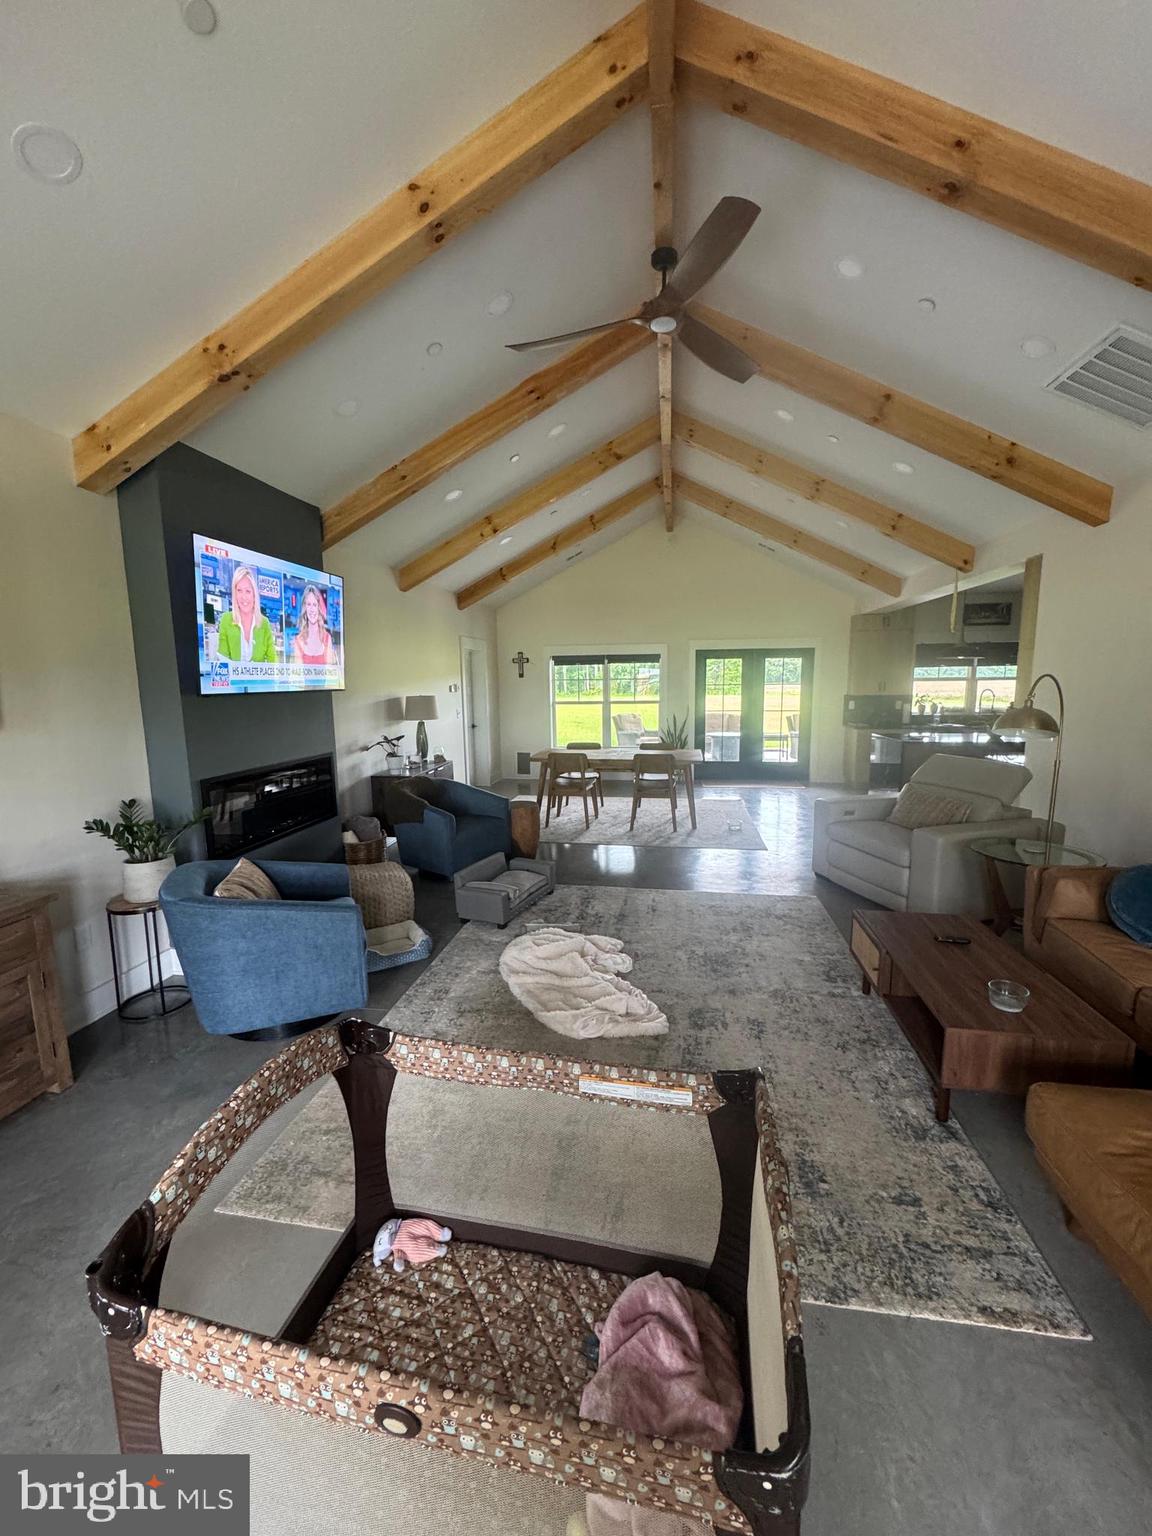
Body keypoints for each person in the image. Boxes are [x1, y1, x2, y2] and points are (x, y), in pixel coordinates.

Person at [216, 565, 277, 663]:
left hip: (260, 678)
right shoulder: (226, 619)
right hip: (233, 678)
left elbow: (273, 660)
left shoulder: (264, 622)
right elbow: (222, 660)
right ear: (235, 593)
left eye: (248, 591)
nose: (243, 597)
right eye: (239, 591)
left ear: (254, 595)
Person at [292, 582, 337, 666]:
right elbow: (298, 676)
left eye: (315, 605)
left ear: (319, 608)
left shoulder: (327, 638)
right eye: (309, 604)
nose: (312, 609)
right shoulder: (298, 641)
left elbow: (330, 674)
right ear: (305, 608)